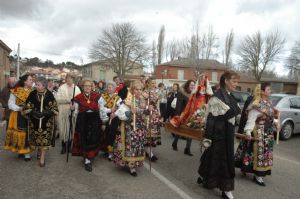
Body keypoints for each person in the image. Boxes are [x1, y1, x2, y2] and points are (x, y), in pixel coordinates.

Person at [197, 71, 241, 199]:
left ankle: (204, 177)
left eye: (237, 82)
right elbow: (211, 118)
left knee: (212, 158)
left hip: (227, 132)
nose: (236, 84)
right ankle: (226, 190)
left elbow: (234, 111)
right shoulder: (217, 97)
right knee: (223, 161)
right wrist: (208, 137)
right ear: (226, 81)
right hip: (219, 135)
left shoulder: (229, 95)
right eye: (234, 81)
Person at [234, 83, 279, 186]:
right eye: (268, 89)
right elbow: (251, 119)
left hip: (268, 133)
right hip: (259, 132)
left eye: (270, 89)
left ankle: (248, 170)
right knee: (258, 153)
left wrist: (276, 123)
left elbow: (272, 116)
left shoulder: (269, 103)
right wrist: (248, 131)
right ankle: (258, 176)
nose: (270, 91)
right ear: (262, 91)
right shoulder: (256, 104)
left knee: (261, 153)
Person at [113, 80, 147, 176]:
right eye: (136, 89)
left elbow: (144, 112)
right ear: (132, 90)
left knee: (137, 145)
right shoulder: (128, 99)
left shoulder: (142, 99)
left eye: (140, 89)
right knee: (129, 146)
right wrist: (129, 112)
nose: (139, 91)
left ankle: (135, 163)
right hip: (129, 127)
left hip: (139, 127)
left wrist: (148, 111)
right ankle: (131, 167)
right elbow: (120, 111)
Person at [22, 77, 58, 167]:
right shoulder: (32, 93)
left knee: (44, 140)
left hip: (46, 122)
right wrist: (33, 112)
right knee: (36, 139)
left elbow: (54, 108)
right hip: (34, 121)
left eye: (38, 84)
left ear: (43, 86)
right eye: (36, 84)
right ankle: (38, 151)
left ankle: (42, 157)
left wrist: (47, 112)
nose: (36, 86)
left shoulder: (49, 95)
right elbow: (26, 106)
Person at [71, 79, 101, 172]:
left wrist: (104, 120)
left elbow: (102, 109)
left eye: (89, 86)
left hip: (94, 119)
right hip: (83, 119)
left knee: (93, 138)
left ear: (92, 87)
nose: (88, 87)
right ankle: (87, 159)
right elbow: (75, 112)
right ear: (83, 87)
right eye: (86, 86)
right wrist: (72, 109)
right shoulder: (78, 97)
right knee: (84, 139)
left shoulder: (97, 96)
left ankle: (90, 155)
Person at [4, 74, 33, 161]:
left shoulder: (33, 92)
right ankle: (21, 150)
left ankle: (27, 152)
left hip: (29, 115)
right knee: (20, 132)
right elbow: (10, 104)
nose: (32, 81)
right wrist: (19, 108)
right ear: (25, 81)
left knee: (27, 133)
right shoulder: (16, 91)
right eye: (30, 80)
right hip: (18, 114)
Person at [56, 74, 81, 154]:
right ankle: (63, 147)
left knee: (71, 129)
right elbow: (57, 99)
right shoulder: (61, 88)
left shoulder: (76, 88)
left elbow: (79, 99)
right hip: (63, 111)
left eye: (70, 78)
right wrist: (68, 100)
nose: (69, 80)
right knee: (64, 129)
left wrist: (74, 104)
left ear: (73, 79)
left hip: (73, 111)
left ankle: (69, 146)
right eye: (67, 78)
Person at [170, 80, 196, 156]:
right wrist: (178, 116)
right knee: (179, 130)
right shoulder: (181, 93)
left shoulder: (193, 94)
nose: (192, 86)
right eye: (191, 85)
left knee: (190, 131)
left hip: (191, 116)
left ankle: (187, 149)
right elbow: (179, 105)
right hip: (182, 114)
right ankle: (174, 143)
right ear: (187, 85)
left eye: (193, 85)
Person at [98, 81, 119, 160]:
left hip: (114, 118)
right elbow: (101, 108)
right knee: (107, 135)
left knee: (113, 135)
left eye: (111, 87)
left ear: (114, 88)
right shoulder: (102, 97)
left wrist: (115, 113)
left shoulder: (118, 98)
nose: (108, 88)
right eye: (108, 87)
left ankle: (112, 151)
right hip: (105, 118)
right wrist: (110, 110)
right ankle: (108, 151)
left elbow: (120, 108)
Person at [143, 78, 161, 161]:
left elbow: (157, 103)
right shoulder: (144, 92)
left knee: (153, 133)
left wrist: (159, 112)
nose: (154, 85)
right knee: (147, 132)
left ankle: (149, 151)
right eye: (152, 83)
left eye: (155, 83)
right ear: (148, 84)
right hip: (147, 113)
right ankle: (148, 152)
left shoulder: (157, 92)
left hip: (155, 113)